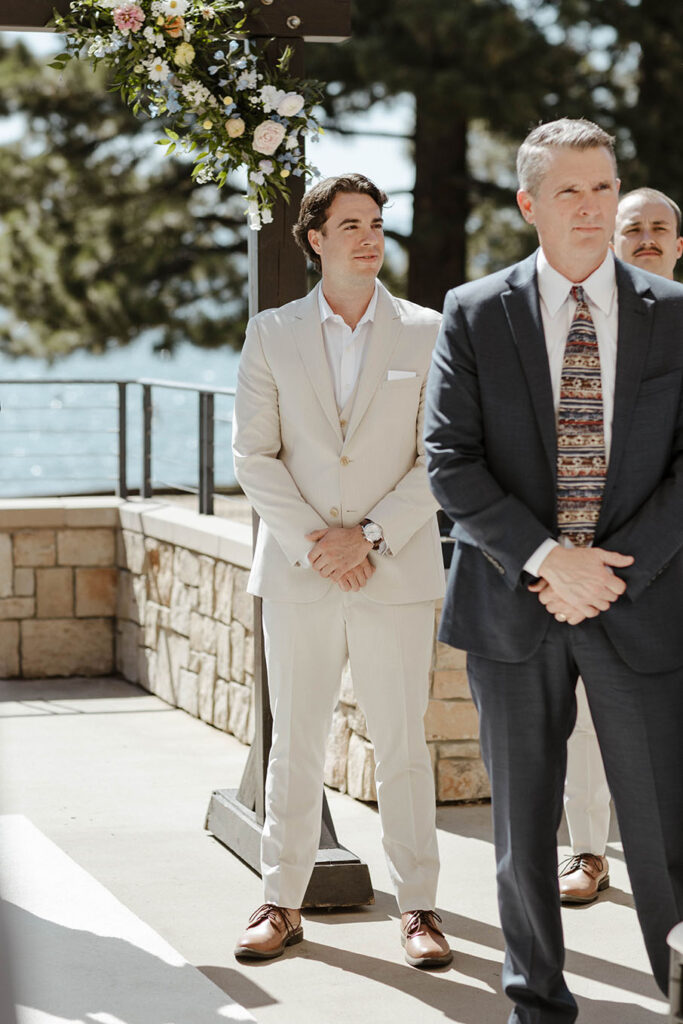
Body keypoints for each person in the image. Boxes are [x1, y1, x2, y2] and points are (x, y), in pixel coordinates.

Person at [424, 118, 683, 1021]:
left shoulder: (674, 313)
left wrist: (614, 571)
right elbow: (448, 458)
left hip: (638, 604)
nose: (589, 207)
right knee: (520, 834)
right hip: (510, 605)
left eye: (603, 188)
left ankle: (679, 990)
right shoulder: (473, 311)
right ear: (529, 202)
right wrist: (546, 560)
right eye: (568, 191)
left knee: (661, 834)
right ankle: (535, 1003)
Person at [232, 173, 451, 968]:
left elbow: (442, 457)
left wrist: (367, 536)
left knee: (403, 745)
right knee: (295, 740)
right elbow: (252, 454)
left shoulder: (427, 330)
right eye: (349, 224)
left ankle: (419, 908)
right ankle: (280, 901)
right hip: (298, 573)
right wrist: (316, 543)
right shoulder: (272, 332)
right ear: (315, 238)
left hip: (394, 571)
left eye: (376, 222)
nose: (368, 237)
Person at [560, 185, 683, 906]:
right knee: (586, 715)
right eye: (629, 229)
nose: (642, 239)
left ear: (677, 244)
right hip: (600, 554)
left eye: (656, 229)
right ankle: (585, 852)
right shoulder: (590, 325)